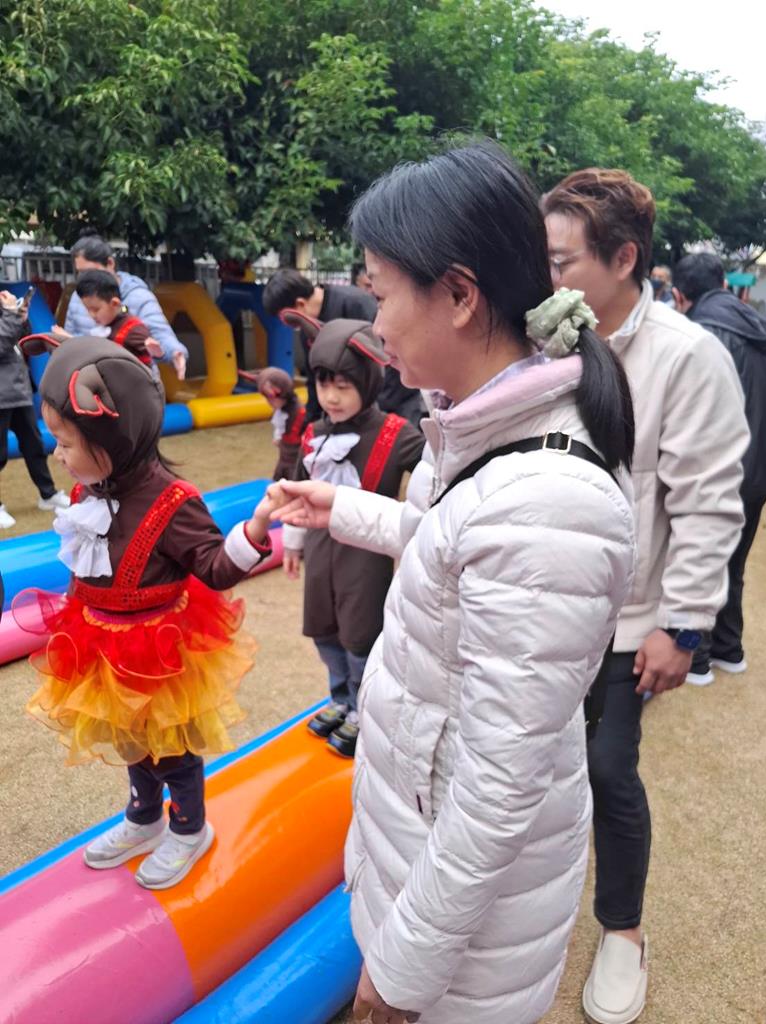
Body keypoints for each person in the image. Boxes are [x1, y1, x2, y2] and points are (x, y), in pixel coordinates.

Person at [267, 140, 637, 1024]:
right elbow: (454, 551)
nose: (372, 324)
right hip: (418, 853)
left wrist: (402, 972)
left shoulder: (548, 502)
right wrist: (347, 509)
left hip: (465, 944)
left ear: (461, 296)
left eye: (380, 292)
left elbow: (496, 793)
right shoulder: (475, 428)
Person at [542, 169, 748, 1024]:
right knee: (528, 755)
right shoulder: (549, 339)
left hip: (628, 617)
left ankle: (621, 930)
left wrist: (683, 625)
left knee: (605, 766)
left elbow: (708, 502)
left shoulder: (687, 355)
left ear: (623, 258)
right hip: (542, 599)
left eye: (561, 261)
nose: (546, 276)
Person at [17, 335, 275, 890]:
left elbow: (214, 568)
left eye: (66, 442)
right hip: (102, 641)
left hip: (158, 649)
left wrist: (254, 532)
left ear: (113, 437)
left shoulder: (173, 502)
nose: (57, 454)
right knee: (129, 740)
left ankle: (189, 827)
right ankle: (144, 816)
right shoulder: (89, 491)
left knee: (171, 748)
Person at [279, 313, 423, 758]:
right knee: (324, 628)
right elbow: (297, 488)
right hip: (320, 549)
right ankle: (339, 698)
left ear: (368, 380)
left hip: (366, 555)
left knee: (361, 633)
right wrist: (292, 542)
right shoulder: (315, 434)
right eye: (324, 385)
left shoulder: (396, 434)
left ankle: (365, 707)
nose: (331, 397)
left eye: (343, 385)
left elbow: (438, 472)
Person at [672, 252, 766, 680]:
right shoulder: (758, 328)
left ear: (680, 296)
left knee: (699, 562)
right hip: (758, 471)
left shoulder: (701, 336)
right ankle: (729, 649)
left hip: (718, 471)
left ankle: (696, 657)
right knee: (734, 562)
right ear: (725, 285)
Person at [263, 268, 425, 428]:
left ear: (300, 304)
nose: (291, 325)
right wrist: (310, 424)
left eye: (287, 319)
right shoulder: (307, 329)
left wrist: (372, 409)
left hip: (392, 399)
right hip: (350, 409)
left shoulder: (356, 303)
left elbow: (389, 358)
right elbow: (314, 378)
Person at [63, 233, 188, 380]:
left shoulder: (137, 296)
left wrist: (175, 352)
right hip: (92, 379)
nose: (85, 278)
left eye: (89, 271)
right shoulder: (79, 297)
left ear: (110, 263)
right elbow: (71, 335)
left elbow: (160, 335)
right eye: (80, 273)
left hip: (134, 382)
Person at [0, 290, 69, 528]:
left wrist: (21, 317)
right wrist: (12, 313)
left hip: (18, 391)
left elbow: (20, 339)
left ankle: (48, 494)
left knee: (34, 446)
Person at [56, 269, 157, 368]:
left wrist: (154, 350)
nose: (92, 315)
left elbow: (152, 360)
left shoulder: (133, 329)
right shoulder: (107, 325)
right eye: (88, 309)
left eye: (96, 309)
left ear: (114, 303)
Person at [256, 365, 307, 479]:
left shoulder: (299, 413)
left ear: (283, 393)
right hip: (285, 458)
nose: (269, 402)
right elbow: (280, 427)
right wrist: (279, 438)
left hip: (296, 462)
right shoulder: (281, 409)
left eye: (271, 398)